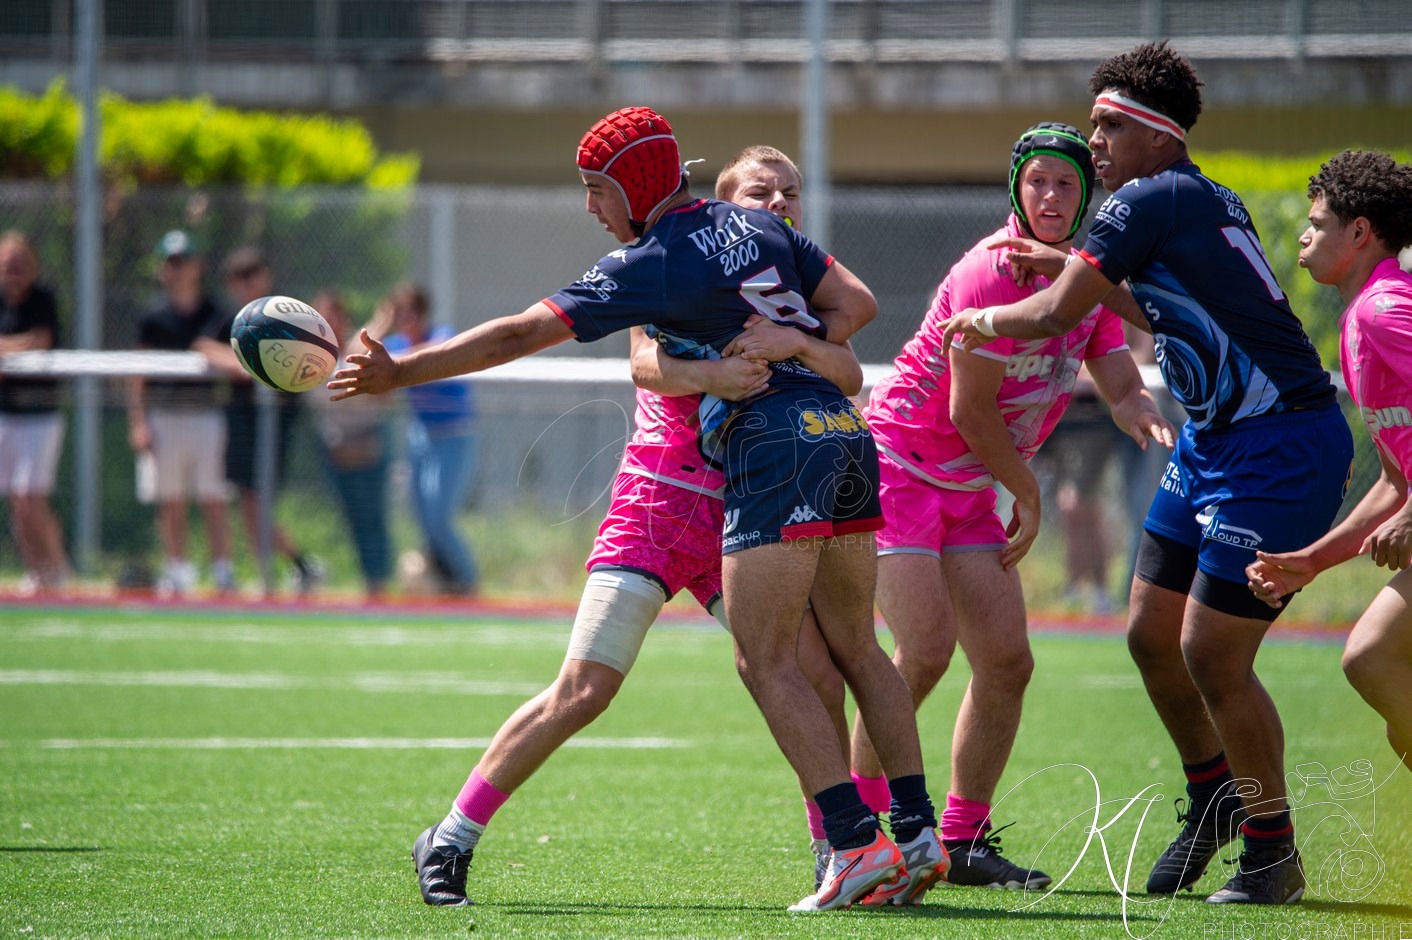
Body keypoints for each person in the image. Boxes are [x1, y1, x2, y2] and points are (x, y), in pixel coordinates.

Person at [331, 107, 945, 912]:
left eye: (596, 191)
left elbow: (521, 333)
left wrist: (399, 372)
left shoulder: (665, 258)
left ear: (638, 187)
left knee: (812, 670)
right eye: (767, 189)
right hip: (662, 503)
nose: (781, 203)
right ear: (721, 190)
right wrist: (720, 372)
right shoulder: (674, 259)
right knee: (585, 689)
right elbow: (648, 365)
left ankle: (845, 844)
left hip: (749, 492)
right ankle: (450, 835)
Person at [942, 43, 1355, 906]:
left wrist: (978, 316)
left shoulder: (1146, 197)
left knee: (1211, 651)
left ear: (1158, 134)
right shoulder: (1187, 194)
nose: (1095, 143)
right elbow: (1156, 305)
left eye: (1108, 126)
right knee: (1146, 635)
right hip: (1212, 442)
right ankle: (1213, 795)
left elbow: (1056, 317)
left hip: (1279, 445)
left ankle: (1272, 850)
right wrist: (1073, 273)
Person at [849, 123, 1173, 891]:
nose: (1053, 196)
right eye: (1038, 183)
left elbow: (1117, 368)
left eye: (1066, 184)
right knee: (924, 650)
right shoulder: (989, 274)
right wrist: (1025, 492)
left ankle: (960, 841)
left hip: (967, 485)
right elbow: (969, 412)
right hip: (898, 467)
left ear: (1084, 194)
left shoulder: (1079, 277)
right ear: (1016, 192)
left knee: (1005, 660)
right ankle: (852, 835)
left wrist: (1137, 410)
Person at [1247, 150, 1412, 773]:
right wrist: (1312, 561)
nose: (1305, 234)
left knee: (1371, 658)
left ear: (1361, 233)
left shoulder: (1383, 308)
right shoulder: (1357, 320)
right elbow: (1397, 480)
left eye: (1318, 221)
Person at [204, 247, 324, 594]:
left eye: (252, 276)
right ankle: (283, 571)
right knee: (249, 503)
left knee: (258, 501)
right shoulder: (234, 319)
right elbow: (203, 345)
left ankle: (294, 567)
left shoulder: (285, 315)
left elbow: (305, 355)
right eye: (239, 279)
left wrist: (260, 363)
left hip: (276, 421)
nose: (247, 285)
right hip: (243, 419)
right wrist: (241, 362)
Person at [128, 230, 236, 597]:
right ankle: (178, 569)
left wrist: (209, 351)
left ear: (197, 266)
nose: (176, 269)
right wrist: (138, 422)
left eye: (182, 261)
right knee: (170, 497)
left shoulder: (217, 313)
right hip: (164, 414)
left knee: (213, 496)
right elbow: (139, 373)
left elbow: (234, 361)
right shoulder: (153, 315)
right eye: (170, 262)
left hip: (205, 414)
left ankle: (223, 570)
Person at [365, 283, 479, 596]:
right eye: (396, 313)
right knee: (421, 515)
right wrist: (380, 325)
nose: (403, 319)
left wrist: (392, 362)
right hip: (421, 435)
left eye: (407, 312)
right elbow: (356, 361)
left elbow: (430, 356)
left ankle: (468, 584)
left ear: (422, 312)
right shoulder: (396, 344)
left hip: (454, 435)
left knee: (439, 517)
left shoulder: (442, 336)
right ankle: (445, 582)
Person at [306, 289, 394, 598]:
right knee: (353, 521)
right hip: (336, 451)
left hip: (368, 445)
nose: (329, 323)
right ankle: (366, 582)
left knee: (373, 519)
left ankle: (378, 586)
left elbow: (384, 394)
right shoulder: (310, 359)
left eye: (334, 316)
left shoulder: (360, 351)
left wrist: (380, 323)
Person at [0, 231, 71, 593]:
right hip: (5, 413)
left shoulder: (43, 299)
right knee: (16, 497)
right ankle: (34, 571)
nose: (14, 270)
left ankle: (59, 568)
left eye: (21, 263)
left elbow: (40, 341)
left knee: (32, 495)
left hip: (40, 413)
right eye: (8, 263)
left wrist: (5, 350)